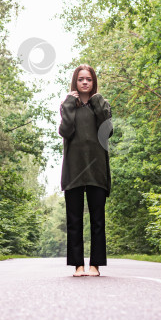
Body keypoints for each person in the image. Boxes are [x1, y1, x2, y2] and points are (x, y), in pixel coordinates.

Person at [58, 64, 113, 277]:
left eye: (88, 79)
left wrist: (98, 101)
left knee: (98, 219)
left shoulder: (102, 104)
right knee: (74, 220)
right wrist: (69, 104)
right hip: (73, 169)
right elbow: (65, 131)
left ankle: (95, 266)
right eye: (81, 79)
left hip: (97, 169)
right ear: (75, 81)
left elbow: (107, 131)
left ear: (93, 82)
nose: (84, 82)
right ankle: (78, 266)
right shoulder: (68, 104)